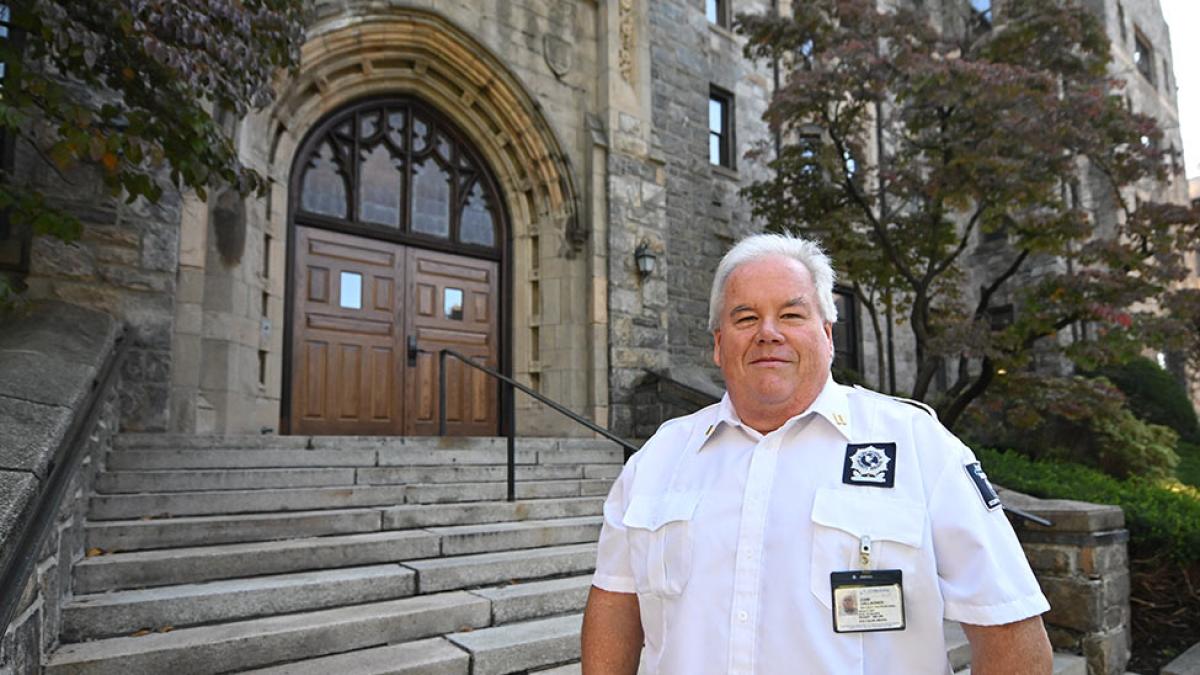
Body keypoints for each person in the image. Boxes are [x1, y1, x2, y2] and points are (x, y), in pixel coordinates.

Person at [581, 233, 1053, 674]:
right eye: (745, 317)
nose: (768, 332)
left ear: (827, 335)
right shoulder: (659, 458)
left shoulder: (919, 447)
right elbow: (614, 608)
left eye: (791, 315)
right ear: (719, 345)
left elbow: (1007, 626)